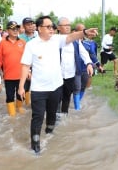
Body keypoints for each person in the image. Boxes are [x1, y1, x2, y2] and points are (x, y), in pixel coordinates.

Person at [18, 15, 98, 153]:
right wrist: (21, 86)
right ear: (39, 28)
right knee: (37, 116)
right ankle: (35, 146)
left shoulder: (56, 40)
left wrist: (84, 33)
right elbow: (25, 66)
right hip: (38, 89)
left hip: (56, 87)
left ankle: (49, 133)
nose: (51, 29)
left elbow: (71, 37)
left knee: (52, 114)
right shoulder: (31, 45)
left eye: (52, 27)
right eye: (48, 27)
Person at [57, 18, 93, 114]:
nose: (68, 27)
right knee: (56, 98)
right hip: (56, 76)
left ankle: (64, 116)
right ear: (58, 28)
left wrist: (89, 64)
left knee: (67, 97)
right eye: (65, 25)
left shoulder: (76, 42)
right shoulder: (54, 40)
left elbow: (84, 53)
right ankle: (54, 118)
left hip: (70, 75)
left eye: (69, 24)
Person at [0, 21, 27, 117]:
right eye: (13, 29)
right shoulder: (2, 43)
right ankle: (12, 113)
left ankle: (19, 107)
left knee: (20, 94)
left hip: (21, 75)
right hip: (8, 76)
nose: (15, 30)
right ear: (8, 30)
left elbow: (27, 59)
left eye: (16, 28)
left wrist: (29, 71)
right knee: (9, 96)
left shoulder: (23, 43)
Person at [75, 23, 103, 90]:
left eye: (84, 30)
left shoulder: (88, 43)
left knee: (82, 88)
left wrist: (99, 65)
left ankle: (78, 100)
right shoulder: (71, 42)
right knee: (76, 89)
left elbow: (93, 55)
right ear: (76, 31)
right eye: (80, 30)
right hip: (75, 70)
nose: (82, 32)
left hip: (85, 69)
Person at [19, 17, 38, 106]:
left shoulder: (39, 36)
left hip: (38, 66)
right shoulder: (20, 38)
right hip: (25, 66)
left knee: (37, 88)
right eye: (28, 25)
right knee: (24, 87)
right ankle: (22, 107)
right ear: (24, 26)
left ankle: (34, 105)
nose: (30, 26)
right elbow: (19, 55)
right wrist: (28, 71)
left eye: (31, 24)